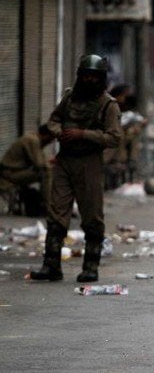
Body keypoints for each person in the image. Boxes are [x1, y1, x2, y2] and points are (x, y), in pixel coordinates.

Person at [29, 54, 122, 282]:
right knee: (56, 214)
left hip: (89, 163)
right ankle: (51, 266)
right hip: (64, 161)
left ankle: (90, 267)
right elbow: (53, 120)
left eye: (94, 76)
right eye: (86, 75)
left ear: (101, 78)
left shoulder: (108, 105)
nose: (89, 80)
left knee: (91, 216)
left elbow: (114, 137)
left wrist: (83, 134)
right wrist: (60, 132)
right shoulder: (70, 98)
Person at [0, 124, 55, 215]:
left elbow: (41, 161)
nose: (52, 141)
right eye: (52, 138)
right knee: (46, 173)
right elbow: (40, 165)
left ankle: (48, 204)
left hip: (15, 172)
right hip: (10, 174)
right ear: (47, 135)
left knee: (49, 171)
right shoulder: (32, 140)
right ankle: (49, 207)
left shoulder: (35, 140)